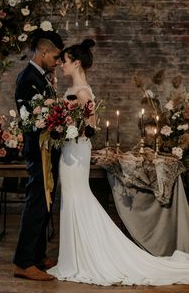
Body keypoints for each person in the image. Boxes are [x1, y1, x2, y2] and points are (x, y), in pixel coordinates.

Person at [47, 38, 189, 286]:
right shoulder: (74, 90)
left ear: (77, 63)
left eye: (65, 61)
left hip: (76, 149)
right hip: (70, 149)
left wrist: (65, 126)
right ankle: (74, 256)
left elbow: (90, 127)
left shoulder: (82, 92)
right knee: (70, 198)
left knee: (77, 196)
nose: (61, 65)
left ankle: (88, 257)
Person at [13, 28, 64, 281]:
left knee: (46, 203)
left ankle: (39, 255)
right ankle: (24, 262)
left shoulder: (42, 76)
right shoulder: (27, 78)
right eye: (55, 57)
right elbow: (29, 120)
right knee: (36, 203)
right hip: (38, 152)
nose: (57, 61)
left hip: (49, 150)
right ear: (43, 52)